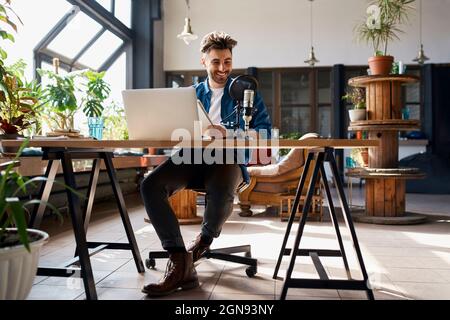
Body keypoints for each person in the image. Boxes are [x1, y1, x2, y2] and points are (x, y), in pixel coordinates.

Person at [141, 31, 272, 297]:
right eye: (216, 62)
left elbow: (265, 133)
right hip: (191, 157)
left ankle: (203, 241)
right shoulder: (189, 95)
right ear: (203, 61)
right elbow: (172, 131)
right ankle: (180, 260)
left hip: (228, 160)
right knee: (150, 185)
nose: (222, 68)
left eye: (227, 61)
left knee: (223, 179)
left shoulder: (246, 93)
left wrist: (229, 135)